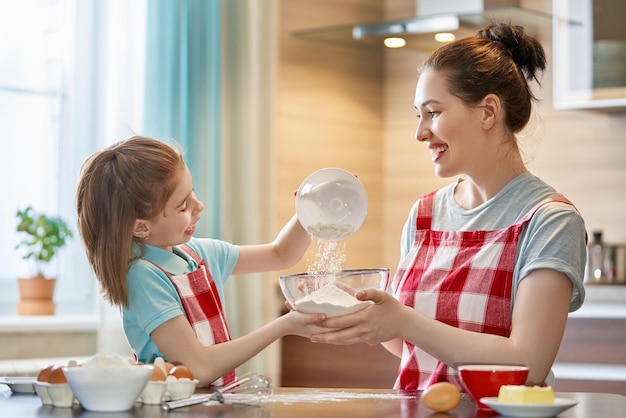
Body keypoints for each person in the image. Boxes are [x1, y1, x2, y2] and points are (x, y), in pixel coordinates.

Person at [310, 23, 586, 390]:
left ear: (488, 112)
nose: (420, 132)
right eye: (418, 115)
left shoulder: (549, 220)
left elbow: (528, 363)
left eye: (433, 113)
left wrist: (405, 321)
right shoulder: (424, 214)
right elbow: (413, 346)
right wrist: (366, 316)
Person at [76, 135, 326, 387]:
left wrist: (307, 210)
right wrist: (283, 326)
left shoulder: (199, 254)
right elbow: (199, 367)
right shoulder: (142, 276)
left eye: (192, 191)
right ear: (141, 227)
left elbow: (281, 254)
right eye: (183, 207)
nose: (200, 206)